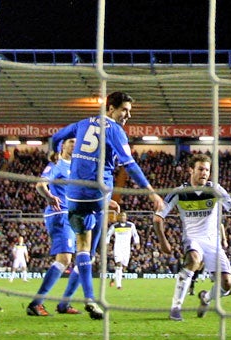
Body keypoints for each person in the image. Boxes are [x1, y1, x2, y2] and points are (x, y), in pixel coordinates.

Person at [50, 91, 166, 320]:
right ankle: (90, 300)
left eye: (129, 111)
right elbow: (130, 165)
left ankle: (65, 302)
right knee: (90, 250)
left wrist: (54, 154)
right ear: (111, 108)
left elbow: (57, 136)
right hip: (97, 191)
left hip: (74, 193)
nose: (127, 115)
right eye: (124, 110)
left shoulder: (83, 123)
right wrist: (151, 193)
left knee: (84, 247)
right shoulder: (114, 130)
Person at [154, 152, 231, 321]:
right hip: (192, 238)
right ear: (190, 170)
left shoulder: (215, 189)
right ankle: (175, 308)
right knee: (193, 260)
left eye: (207, 170)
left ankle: (206, 298)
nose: (204, 173)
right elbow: (158, 217)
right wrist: (163, 242)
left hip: (213, 242)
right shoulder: (179, 192)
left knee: (227, 284)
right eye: (200, 169)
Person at [27, 138, 82, 316]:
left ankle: (64, 304)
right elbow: (40, 184)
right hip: (60, 215)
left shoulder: (75, 167)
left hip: (73, 215)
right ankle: (36, 303)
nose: (75, 144)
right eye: (71, 142)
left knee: (84, 258)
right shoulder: (56, 165)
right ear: (62, 146)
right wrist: (49, 197)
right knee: (64, 259)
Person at [105, 210, 140, 289]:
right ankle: (119, 285)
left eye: (124, 216)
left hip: (127, 248)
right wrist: (106, 244)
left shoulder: (131, 225)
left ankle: (114, 278)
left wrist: (137, 243)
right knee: (119, 264)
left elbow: (135, 234)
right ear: (118, 217)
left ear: (126, 217)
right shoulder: (115, 226)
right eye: (121, 216)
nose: (122, 217)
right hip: (118, 247)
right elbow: (108, 235)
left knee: (123, 267)